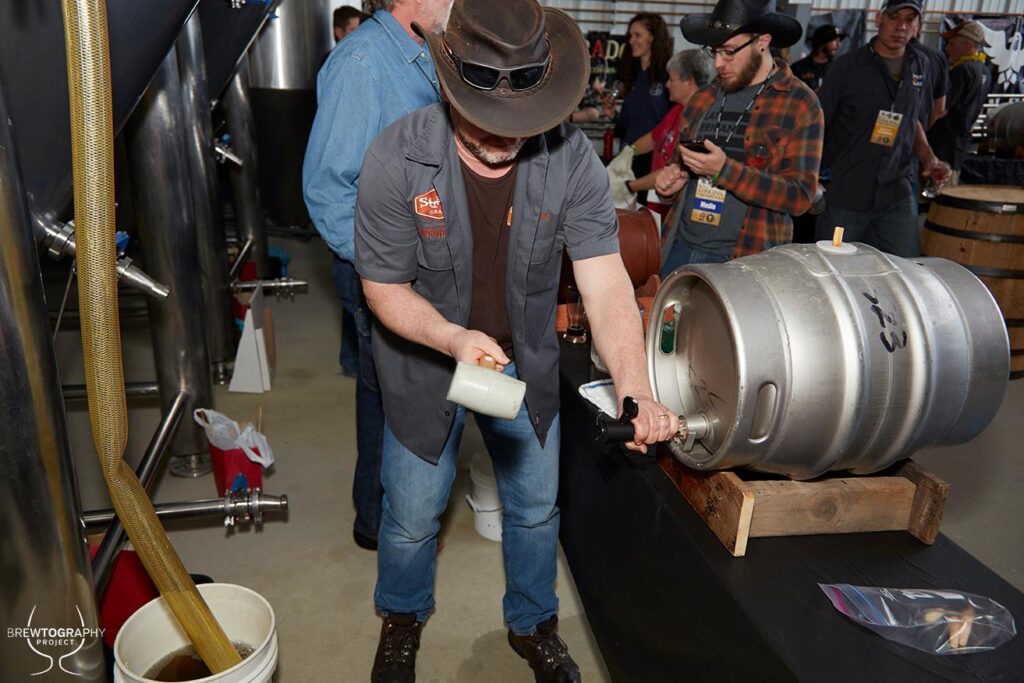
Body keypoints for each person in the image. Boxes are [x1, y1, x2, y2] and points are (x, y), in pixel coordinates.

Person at [353, 0, 680, 679]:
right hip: (425, 363)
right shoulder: (396, 157)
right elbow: (383, 289)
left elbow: (608, 286)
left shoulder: (572, 162)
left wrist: (636, 388)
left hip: (521, 367)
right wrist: (450, 336)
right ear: (447, 84)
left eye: (520, 123)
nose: (505, 138)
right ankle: (402, 617)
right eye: (486, 120)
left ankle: (532, 624)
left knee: (534, 509)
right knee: (412, 515)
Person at [303, 0, 452, 553]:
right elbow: (327, 186)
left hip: (413, 263)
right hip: (380, 268)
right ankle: (390, 521)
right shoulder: (364, 63)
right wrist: (381, 271)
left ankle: (379, 515)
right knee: (399, 396)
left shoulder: (421, 57)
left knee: (389, 393)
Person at [654, 0, 824, 275]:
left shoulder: (800, 104)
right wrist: (671, 181)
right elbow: (680, 165)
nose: (719, 63)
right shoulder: (702, 99)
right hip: (679, 247)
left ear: (762, 41)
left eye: (730, 51)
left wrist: (724, 171)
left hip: (746, 261)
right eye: (715, 52)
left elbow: (800, 196)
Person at [814, 0, 948, 257]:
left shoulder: (922, 65)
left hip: (897, 192)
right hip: (846, 192)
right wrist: (811, 177)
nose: (901, 26)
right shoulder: (846, 67)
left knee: (905, 273)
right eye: (895, 17)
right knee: (833, 271)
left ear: (918, 26)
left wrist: (929, 159)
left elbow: (912, 119)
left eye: (910, 19)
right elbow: (817, 122)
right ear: (879, 19)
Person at [618, 49, 715, 219]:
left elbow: (672, 170)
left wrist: (630, 186)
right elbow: (653, 138)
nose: (667, 85)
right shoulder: (676, 111)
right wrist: (630, 151)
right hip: (657, 202)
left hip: (675, 208)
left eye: (672, 79)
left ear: (689, 82)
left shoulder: (699, 121)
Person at [611, 13, 673, 204]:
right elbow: (627, 121)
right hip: (629, 157)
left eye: (637, 35)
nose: (631, 41)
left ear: (653, 37)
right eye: (630, 36)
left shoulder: (668, 75)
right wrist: (613, 114)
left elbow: (673, 121)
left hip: (656, 161)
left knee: (650, 219)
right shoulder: (633, 75)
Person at [928, 21, 992, 183]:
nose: (947, 48)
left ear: (967, 45)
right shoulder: (984, 71)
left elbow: (941, 108)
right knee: (951, 184)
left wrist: (923, 128)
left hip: (943, 142)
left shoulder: (962, 70)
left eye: (952, 43)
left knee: (937, 189)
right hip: (960, 142)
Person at [790, 24, 846, 91]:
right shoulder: (797, 68)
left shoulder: (837, 69)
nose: (839, 44)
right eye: (834, 40)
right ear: (822, 42)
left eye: (839, 41)